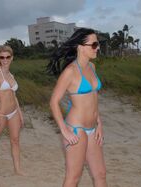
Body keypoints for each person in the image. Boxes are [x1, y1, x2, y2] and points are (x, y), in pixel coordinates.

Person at [48, 28, 107, 187]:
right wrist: (64, 130)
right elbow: (54, 101)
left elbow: (93, 99)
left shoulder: (92, 67)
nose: (98, 48)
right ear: (80, 47)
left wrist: (99, 123)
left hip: (93, 129)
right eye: (94, 45)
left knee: (100, 174)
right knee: (73, 177)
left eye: (98, 44)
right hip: (76, 129)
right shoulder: (70, 72)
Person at [0, 45, 24, 175]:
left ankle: (18, 170)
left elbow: (14, 96)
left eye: (7, 57)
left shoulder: (11, 75)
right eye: (2, 57)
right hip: (1, 113)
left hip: (14, 112)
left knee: (15, 140)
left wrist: (20, 113)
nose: (5, 59)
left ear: (12, 58)